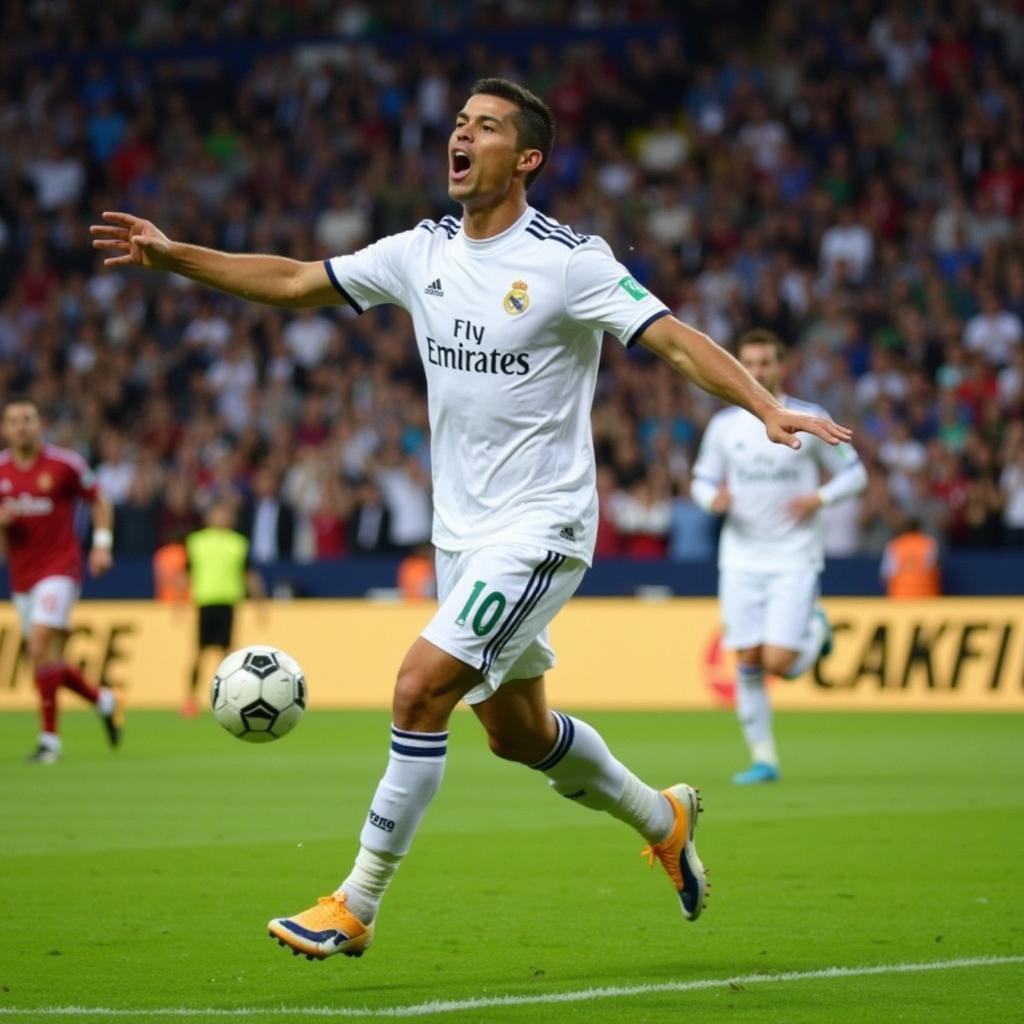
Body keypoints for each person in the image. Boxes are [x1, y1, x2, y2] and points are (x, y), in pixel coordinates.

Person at [92, 79, 851, 960]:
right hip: (462, 536)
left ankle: (355, 901)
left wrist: (763, 403)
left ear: (526, 158)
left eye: (485, 127)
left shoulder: (570, 261)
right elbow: (299, 281)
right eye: (459, 123)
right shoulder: (421, 252)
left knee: (419, 689)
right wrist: (173, 255)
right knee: (517, 734)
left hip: (543, 527)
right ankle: (662, 816)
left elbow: (672, 336)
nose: (461, 134)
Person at [690, 329, 867, 786]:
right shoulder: (725, 427)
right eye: (749, 361)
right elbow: (701, 482)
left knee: (778, 663)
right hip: (741, 557)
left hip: (793, 556)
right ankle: (763, 758)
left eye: (766, 361)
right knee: (747, 659)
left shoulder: (808, 417)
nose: (758, 370)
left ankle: (817, 629)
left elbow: (854, 473)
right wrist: (715, 501)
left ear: (782, 365)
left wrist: (819, 500)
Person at [0, 397, 122, 764]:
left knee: (38, 646)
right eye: (14, 421)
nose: (21, 426)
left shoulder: (64, 464)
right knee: (47, 658)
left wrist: (101, 546)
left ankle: (49, 742)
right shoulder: (1, 471)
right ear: (5, 429)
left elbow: (100, 501)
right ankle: (102, 700)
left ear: (40, 425)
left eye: (28, 419)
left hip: (60, 568)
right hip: (22, 576)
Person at [183, 502, 266, 717]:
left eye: (225, 513)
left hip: (228, 602)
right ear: (209, 517)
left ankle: (228, 698)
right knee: (199, 653)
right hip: (205, 602)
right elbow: (186, 573)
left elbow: (249, 574)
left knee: (228, 656)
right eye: (217, 513)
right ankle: (190, 700)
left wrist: (259, 604)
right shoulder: (196, 542)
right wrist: (178, 602)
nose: (221, 518)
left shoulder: (238, 543)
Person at [880, 515, 942, 597]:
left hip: (900, 598)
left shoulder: (894, 545)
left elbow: (886, 575)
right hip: (926, 598)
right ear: (920, 529)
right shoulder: (929, 543)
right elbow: (936, 570)